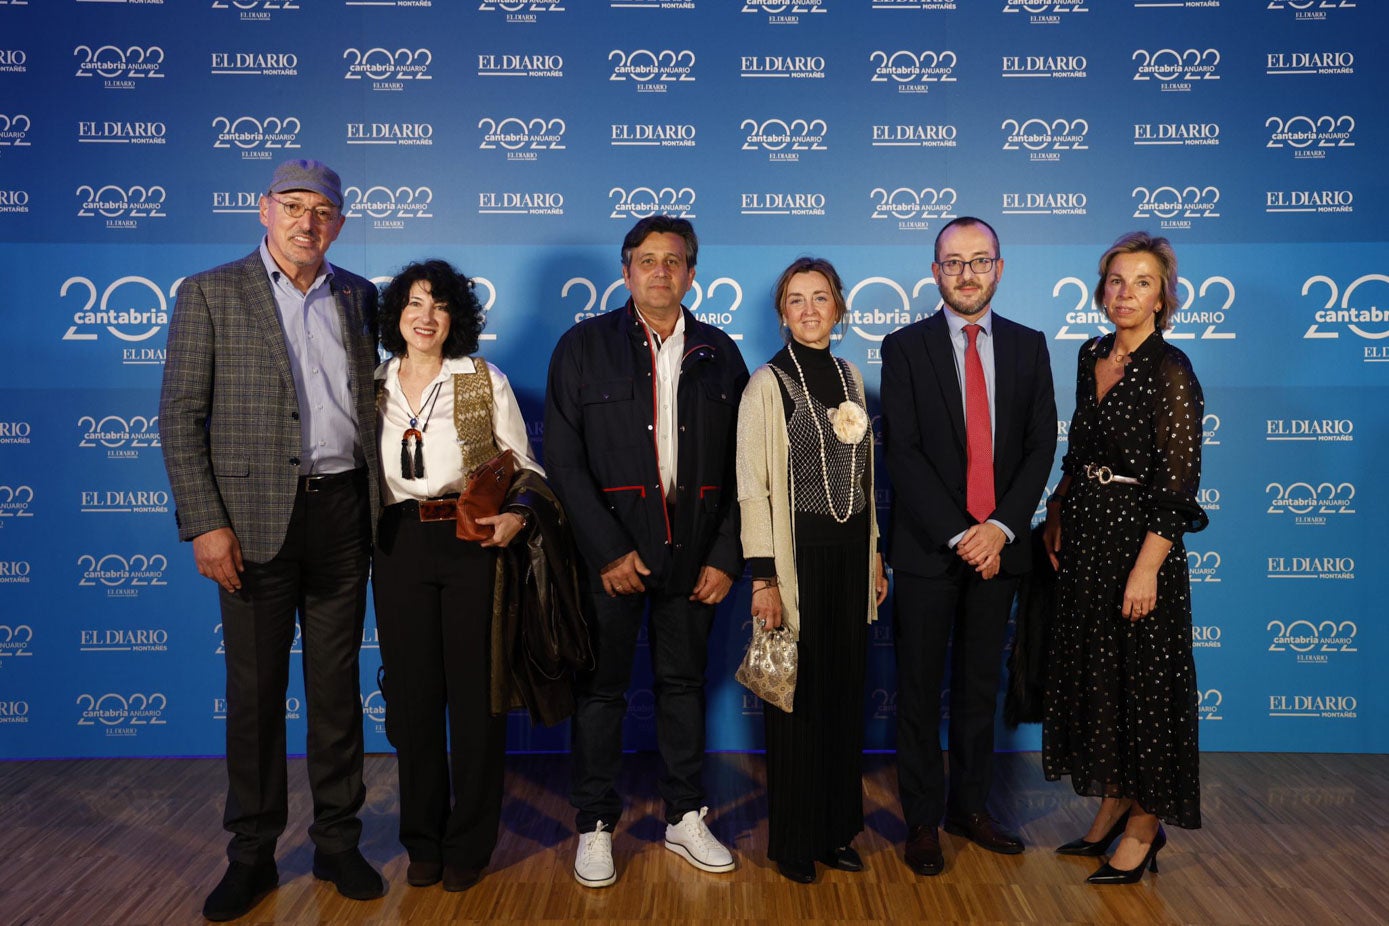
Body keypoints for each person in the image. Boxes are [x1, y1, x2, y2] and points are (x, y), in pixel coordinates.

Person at [159, 159, 385, 921]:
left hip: (342, 517)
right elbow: (181, 417)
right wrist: (206, 522)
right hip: (249, 527)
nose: (306, 222)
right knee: (253, 696)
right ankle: (251, 853)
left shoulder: (360, 296)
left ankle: (337, 841)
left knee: (335, 694)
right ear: (263, 211)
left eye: (323, 211)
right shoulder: (210, 293)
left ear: (340, 224)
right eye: (292, 206)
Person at [544, 215, 748, 888]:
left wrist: (724, 556)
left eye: (673, 260)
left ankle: (685, 816)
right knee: (600, 693)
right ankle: (595, 823)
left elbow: (747, 468)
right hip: (611, 560)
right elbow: (565, 461)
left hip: (694, 558)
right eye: (645, 259)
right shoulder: (582, 347)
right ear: (626, 271)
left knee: (682, 688)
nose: (659, 270)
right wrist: (605, 550)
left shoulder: (720, 352)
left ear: (692, 273)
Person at [880, 216, 1057, 876]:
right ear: (935, 272)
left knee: (979, 691)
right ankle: (923, 819)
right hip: (929, 549)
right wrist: (960, 532)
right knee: (920, 692)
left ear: (999, 269)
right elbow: (904, 451)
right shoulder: (903, 347)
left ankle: (970, 808)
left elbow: (1041, 444)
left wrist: (1000, 529)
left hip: (1001, 550)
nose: (965, 273)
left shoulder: (1029, 345)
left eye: (978, 261)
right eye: (952, 262)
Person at [371, 260, 546, 893]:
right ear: (396, 313)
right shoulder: (372, 384)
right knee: (415, 702)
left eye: (440, 306)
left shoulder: (482, 379)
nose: (425, 317)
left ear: (456, 319)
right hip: (395, 544)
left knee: (476, 699)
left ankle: (469, 840)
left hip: (471, 542)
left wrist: (517, 520)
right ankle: (422, 838)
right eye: (415, 303)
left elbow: (526, 469)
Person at [1041, 232, 1207, 884]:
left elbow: (1178, 484)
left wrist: (1146, 568)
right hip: (1086, 537)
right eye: (1115, 280)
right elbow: (1080, 448)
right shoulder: (1090, 354)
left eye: (1141, 282)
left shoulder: (1171, 370)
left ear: (1163, 295)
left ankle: (1144, 827)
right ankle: (1111, 805)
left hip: (1139, 546)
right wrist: (1057, 508)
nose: (1125, 293)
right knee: (1103, 684)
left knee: (1146, 691)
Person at [735, 257, 889, 883]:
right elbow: (752, 487)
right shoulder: (767, 383)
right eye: (795, 300)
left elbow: (866, 482)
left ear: (839, 307)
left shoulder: (852, 376)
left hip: (851, 561)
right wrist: (764, 579)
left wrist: (875, 552)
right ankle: (795, 841)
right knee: (795, 703)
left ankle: (835, 830)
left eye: (819, 298)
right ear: (782, 313)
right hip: (795, 569)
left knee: (842, 697)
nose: (808, 309)